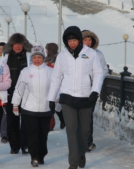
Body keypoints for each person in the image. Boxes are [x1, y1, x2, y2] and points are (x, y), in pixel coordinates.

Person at [47, 26, 104, 169]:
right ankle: (73, 163)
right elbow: (56, 78)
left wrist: (95, 91)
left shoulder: (90, 53)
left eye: (74, 40)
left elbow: (98, 73)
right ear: (66, 41)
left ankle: (81, 153)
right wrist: (51, 98)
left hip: (86, 97)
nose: (72, 43)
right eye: (69, 40)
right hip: (67, 97)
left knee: (85, 131)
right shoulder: (62, 56)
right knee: (71, 129)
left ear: (79, 40)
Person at [12, 44, 53, 167]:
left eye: (39, 57)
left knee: (43, 133)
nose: (37, 60)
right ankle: (34, 156)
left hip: (46, 108)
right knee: (32, 133)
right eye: (34, 57)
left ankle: (41, 155)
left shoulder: (50, 71)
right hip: (29, 108)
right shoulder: (26, 71)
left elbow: (56, 88)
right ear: (32, 58)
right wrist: (15, 104)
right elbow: (19, 89)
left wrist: (57, 102)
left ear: (43, 58)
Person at [2, 33, 33, 154]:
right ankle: (14, 145)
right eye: (15, 44)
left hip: (27, 94)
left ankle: (25, 145)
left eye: (20, 44)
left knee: (26, 121)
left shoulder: (29, 56)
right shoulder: (6, 57)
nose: (18, 46)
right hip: (11, 93)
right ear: (11, 45)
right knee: (12, 121)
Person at [82, 30, 108, 152]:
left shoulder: (98, 54)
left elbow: (103, 70)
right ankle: (78, 140)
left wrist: (96, 83)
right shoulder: (75, 54)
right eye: (85, 39)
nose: (87, 42)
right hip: (77, 89)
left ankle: (87, 142)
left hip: (92, 90)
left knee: (88, 116)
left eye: (89, 40)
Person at [45, 43, 65, 130]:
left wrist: (50, 66)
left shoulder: (58, 58)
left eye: (47, 50)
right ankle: (50, 124)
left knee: (55, 105)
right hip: (48, 82)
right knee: (50, 105)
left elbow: (59, 70)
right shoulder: (46, 58)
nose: (46, 51)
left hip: (56, 83)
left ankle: (61, 120)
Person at [0, 42, 8, 143]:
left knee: (5, 114)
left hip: (5, 91)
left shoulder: (7, 59)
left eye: (3, 48)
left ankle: (4, 134)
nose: (2, 50)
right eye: (0, 48)